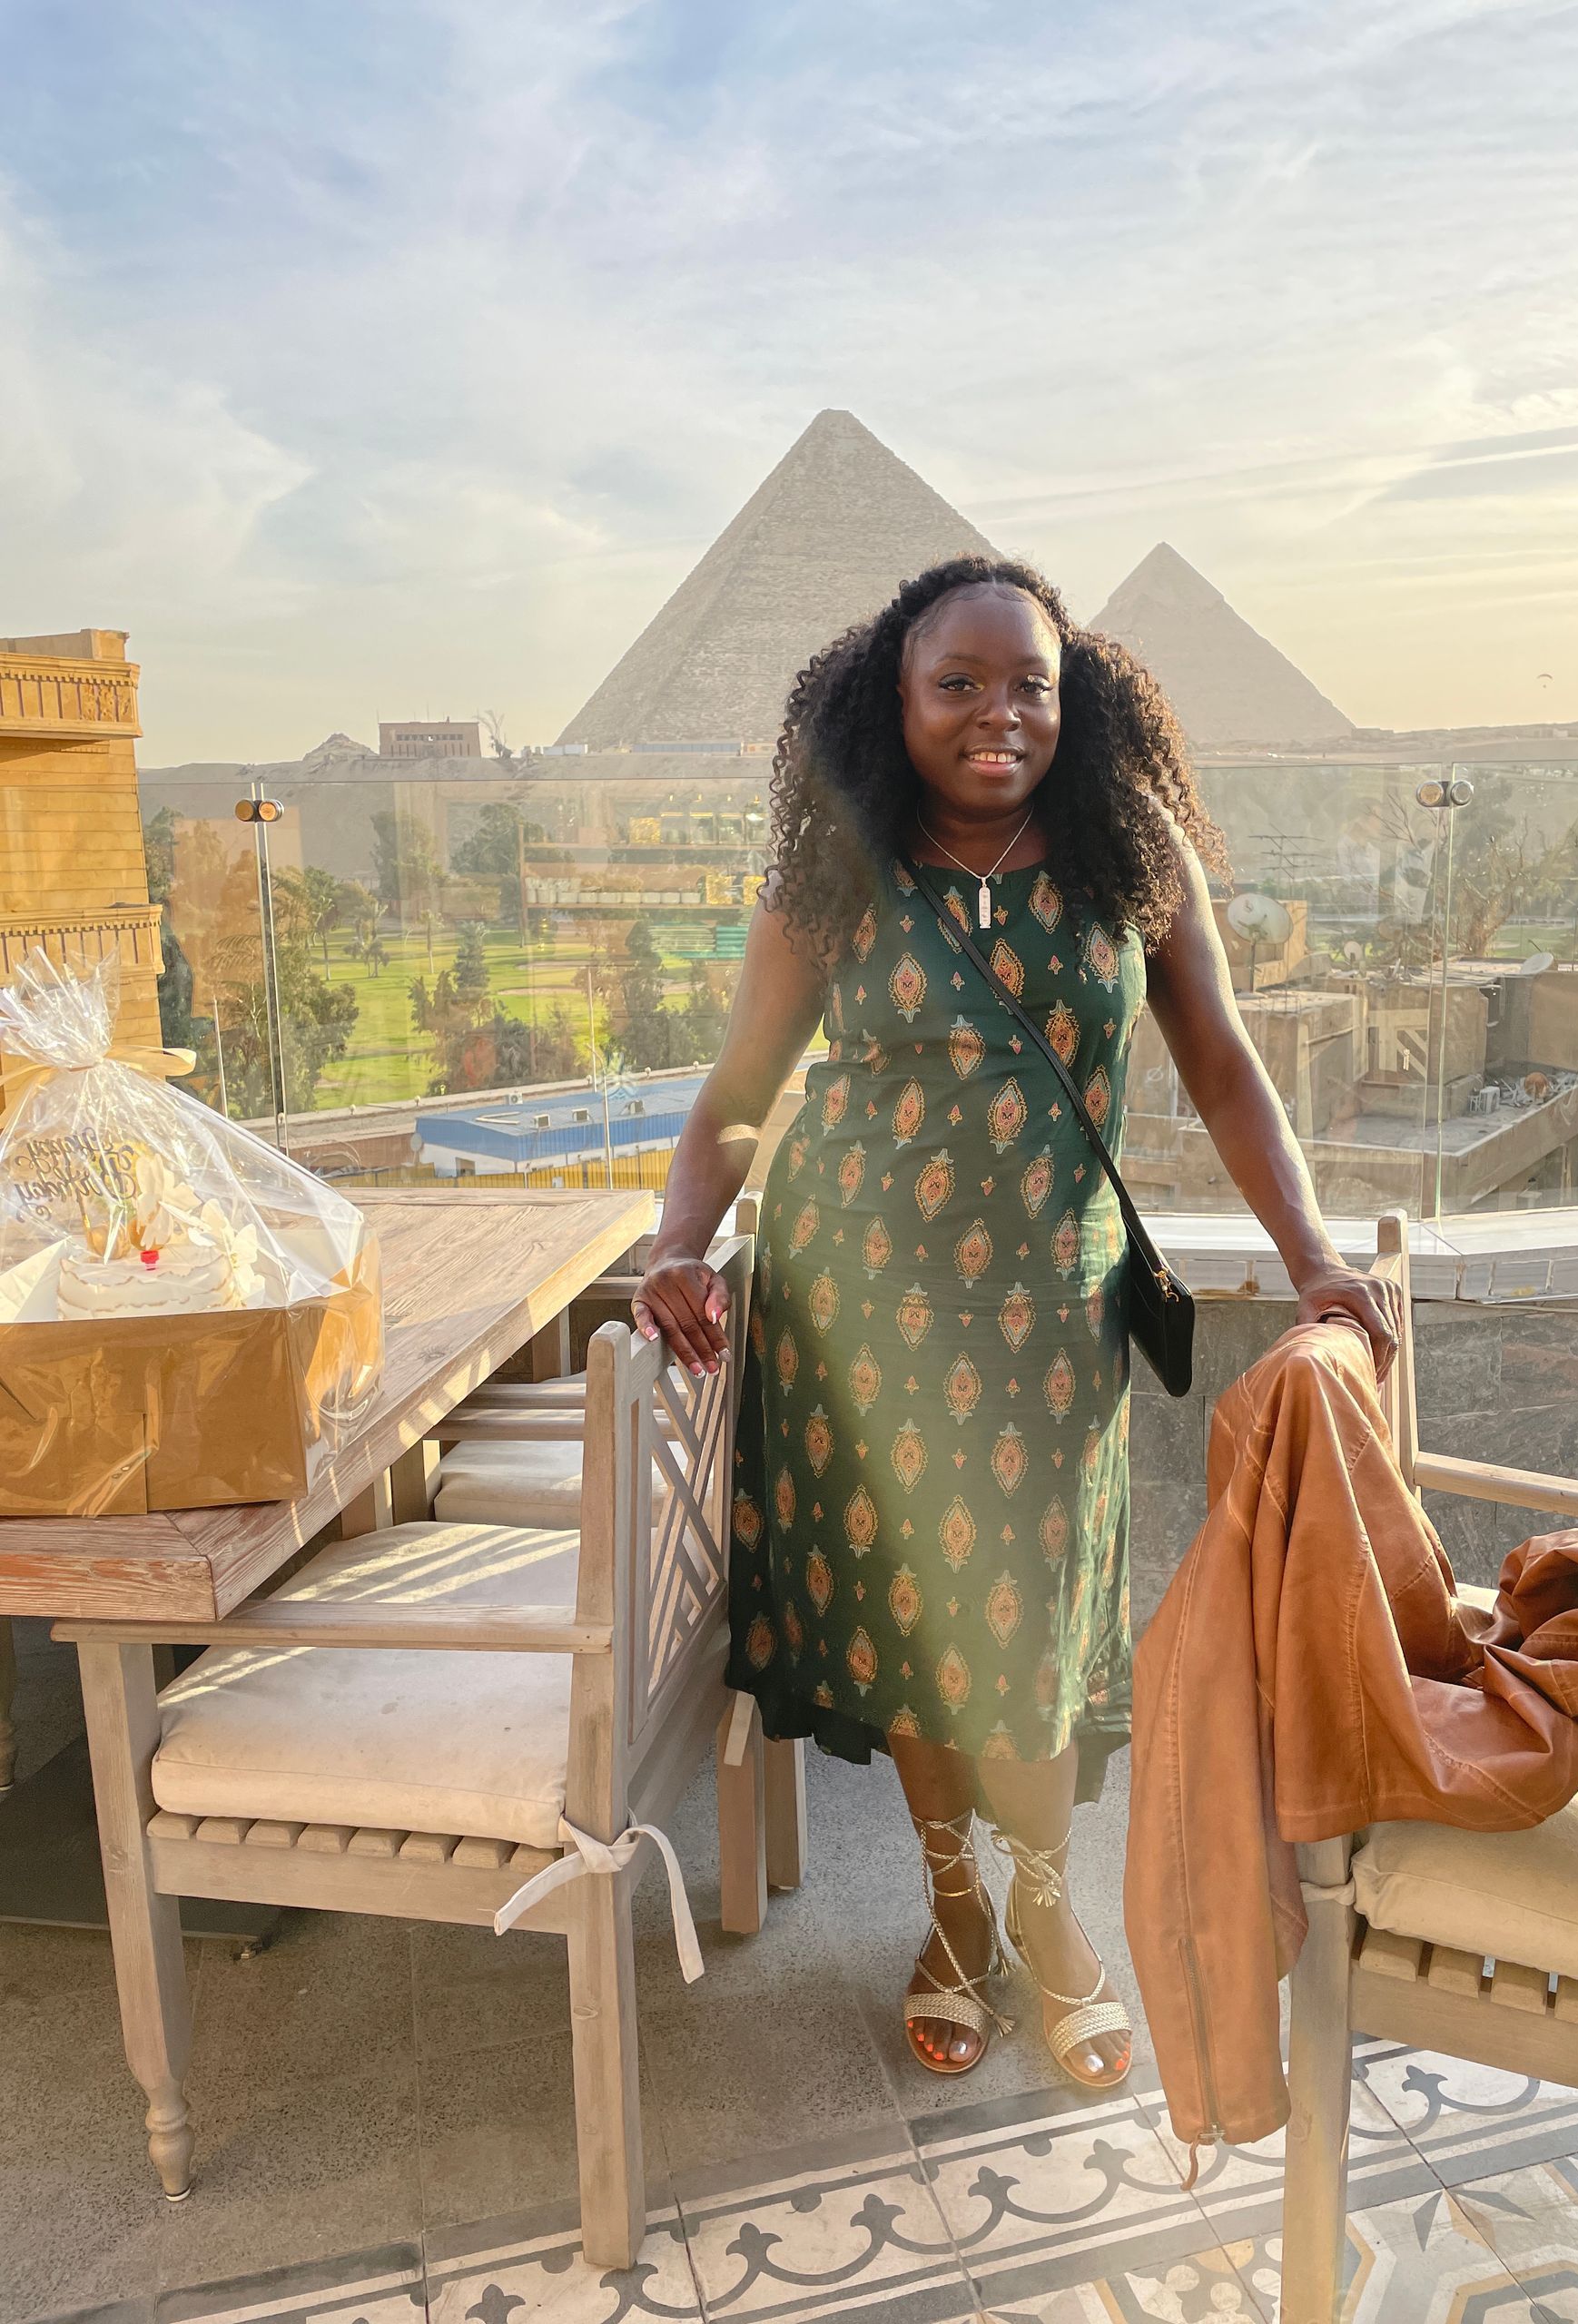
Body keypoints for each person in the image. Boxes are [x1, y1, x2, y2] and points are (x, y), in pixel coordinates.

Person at [631, 556, 1400, 2088]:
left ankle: (1048, 1909)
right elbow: (735, 1099)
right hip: (854, 1321)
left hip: (1050, 1323)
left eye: (1031, 684)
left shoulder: (1130, 849)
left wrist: (1315, 1256)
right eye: (960, 685)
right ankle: (959, 1913)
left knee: (1033, 1648)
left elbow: (1229, 1068)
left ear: (1076, 695)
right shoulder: (831, 870)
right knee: (919, 1637)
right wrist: (677, 1247)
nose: (1000, 714)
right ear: (895, 702)